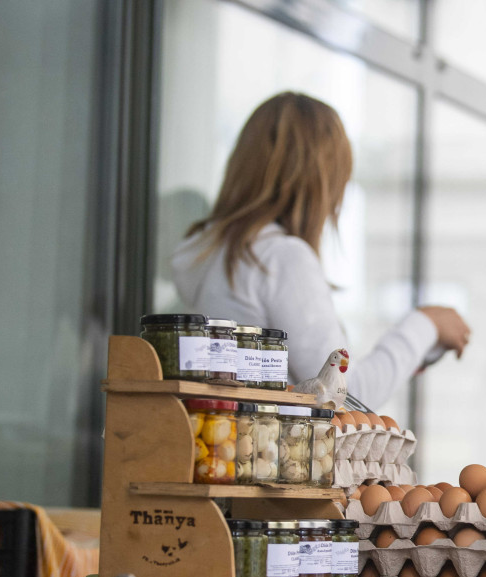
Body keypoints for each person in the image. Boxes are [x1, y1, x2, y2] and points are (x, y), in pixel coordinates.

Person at [172, 92, 470, 410]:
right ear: (324, 182)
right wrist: (426, 324)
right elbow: (347, 397)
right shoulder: (280, 258)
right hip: (274, 456)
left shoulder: (212, 257)